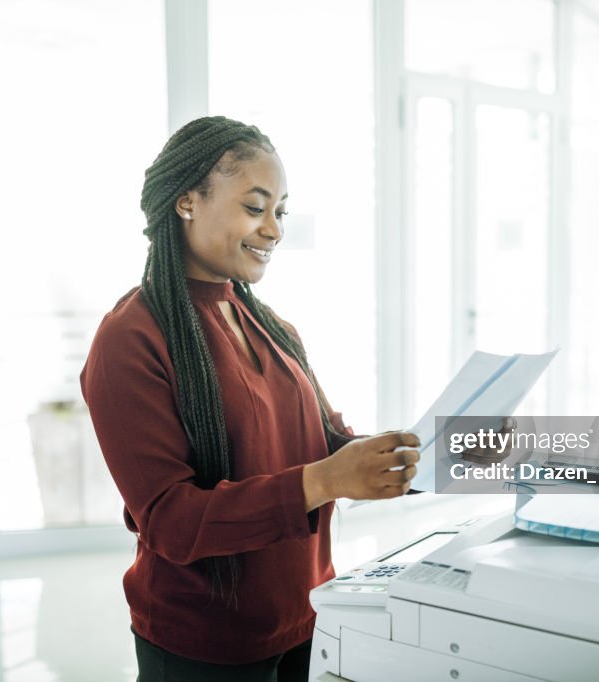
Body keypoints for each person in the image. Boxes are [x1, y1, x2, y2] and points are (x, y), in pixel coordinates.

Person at [80, 115, 421, 682]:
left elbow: (326, 441)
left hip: (307, 615)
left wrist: (405, 452)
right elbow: (170, 520)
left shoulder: (272, 326)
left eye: (280, 211)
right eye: (255, 208)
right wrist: (324, 480)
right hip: (204, 646)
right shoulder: (129, 340)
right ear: (187, 202)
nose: (274, 230)